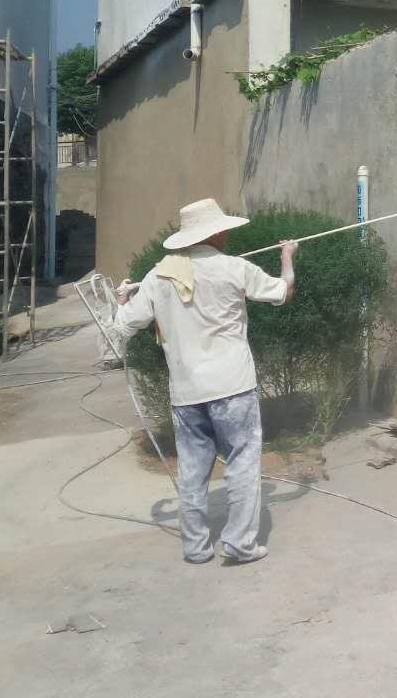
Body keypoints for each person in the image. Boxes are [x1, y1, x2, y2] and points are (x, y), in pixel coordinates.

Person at [109, 198, 298, 565]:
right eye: (223, 230)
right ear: (215, 234)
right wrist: (287, 256)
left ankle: (196, 547)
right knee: (242, 462)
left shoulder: (159, 277)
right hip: (233, 386)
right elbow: (283, 291)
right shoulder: (234, 268)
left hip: (186, 392)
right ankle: (240, 543)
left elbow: (123, 324)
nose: (226, 235)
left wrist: (122, 299)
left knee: (193, 471)